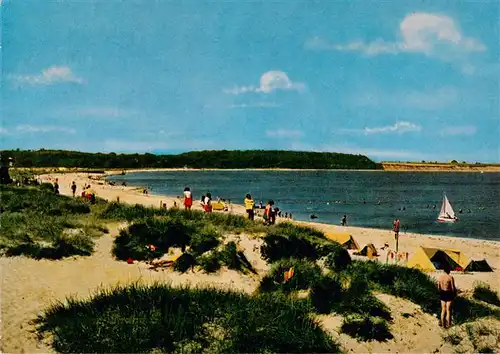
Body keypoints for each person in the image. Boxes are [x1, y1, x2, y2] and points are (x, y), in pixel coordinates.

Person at [438, 264, 457, 329]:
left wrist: (440, 293)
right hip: (448, 293)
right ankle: (448, 325)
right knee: (448, 310)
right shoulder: (450, 277)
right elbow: (452, 287)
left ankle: (443, 326)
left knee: (443, 310)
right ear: (449, 270)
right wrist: (454, 294)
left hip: (442, 293)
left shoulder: (440, 277)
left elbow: (438, 287)